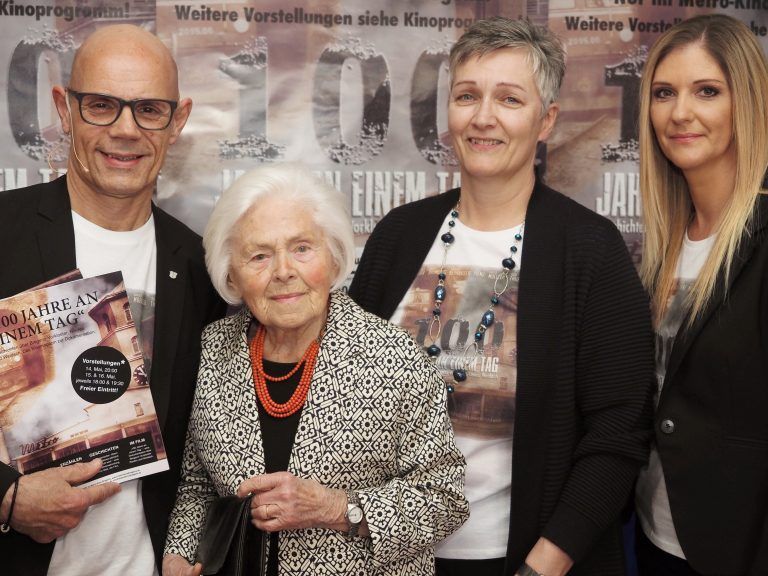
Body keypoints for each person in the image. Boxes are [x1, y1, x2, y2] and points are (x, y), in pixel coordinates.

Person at [350, 17, 654, 576]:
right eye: (467, 95)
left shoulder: (590, 251)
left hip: (521, 560)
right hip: (387, 553)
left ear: (547, 120)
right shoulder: (397, 236)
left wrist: (543, 566)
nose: (483, 116)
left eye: (509, 99)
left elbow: (618, 432)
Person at [162, 164, 469, 576]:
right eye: (259, 255)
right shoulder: (214, 348)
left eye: (302, 248)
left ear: (333, 255)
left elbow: (445, 498)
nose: (284, 271)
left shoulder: (393, 357)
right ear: (230, 274)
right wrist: (178, 555)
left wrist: (336, 508)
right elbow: (198, 485)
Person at [0, 24, 226, 575]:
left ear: (178, 121)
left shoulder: (204, 268)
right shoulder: (4, 231)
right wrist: (5, 497)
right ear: (64, 108)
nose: (126, 130)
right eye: (102, 105)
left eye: (149, 109)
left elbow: (207, 449)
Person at [633, 14, 768, 576]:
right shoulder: (662, 246)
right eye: (664, 93)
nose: (679, 113)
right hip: (653, 537)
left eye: (707, 91)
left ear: (750, 104)